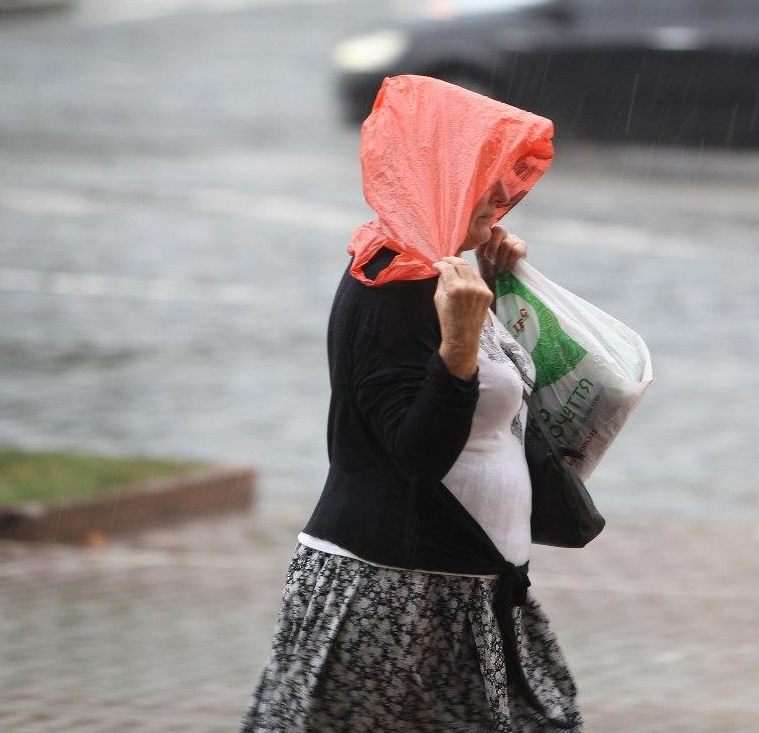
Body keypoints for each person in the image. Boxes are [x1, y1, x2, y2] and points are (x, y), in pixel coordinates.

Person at [238, 75, 584, 732]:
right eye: (488, 172)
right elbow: (416, 451)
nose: (507, 192)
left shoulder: (439, 271)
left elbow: (499, 397)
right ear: (440, 173)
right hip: (392, 592)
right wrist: (456, 344)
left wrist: (492, 283)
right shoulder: (387, 285)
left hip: (462, 585)